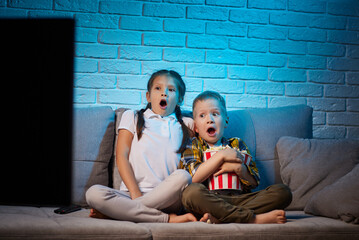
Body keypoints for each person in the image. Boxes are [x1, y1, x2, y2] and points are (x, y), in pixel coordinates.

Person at [86, 70, 197, 223]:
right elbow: (122, 156)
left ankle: (119, 213)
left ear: (180, 99)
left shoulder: (187, 124)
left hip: (169, 197)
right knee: (93, 193)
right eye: (158, 88)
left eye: (171, 90)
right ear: (148, 96)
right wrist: (135, 192)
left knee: (183, 176)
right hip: (131, 194)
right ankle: (165, 219)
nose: (164, 93)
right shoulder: (132, 116)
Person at [179, 91, 292, 224]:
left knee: (283, 192)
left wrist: (240, 169)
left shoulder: (237, 144)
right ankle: (253, 218)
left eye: (215, 114)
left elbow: (254, 182)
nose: (210, 119)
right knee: (190, 193)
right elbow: (193, 179)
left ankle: (221, 217)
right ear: (196, 127)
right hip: (209, 199)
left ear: (226, 120)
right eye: (202, 115)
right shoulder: (193, 145)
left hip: (240, 199)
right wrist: (222, 156)